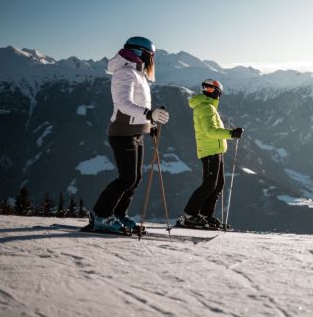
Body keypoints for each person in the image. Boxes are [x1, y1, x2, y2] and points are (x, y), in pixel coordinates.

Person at [91, 36, 170, 233]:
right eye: (151, 56)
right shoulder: (125, 74)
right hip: (122, 132)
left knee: (135, 178)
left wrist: (148, 124)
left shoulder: (138, 74)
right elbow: (124, 104)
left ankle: (118, 213)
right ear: (141, 53)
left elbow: (140, 105)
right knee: (126, 178)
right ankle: (100, 215)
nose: (152, 61)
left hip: (136, 131)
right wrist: (149, 115)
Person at [178, 79, 243, 229]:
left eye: (209, 89)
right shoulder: (206, 108)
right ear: (218, 94)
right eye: (205, 89)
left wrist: (230, 134)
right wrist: (231, 133)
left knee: (218, 184)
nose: (207, 91)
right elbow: (210, 131)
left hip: (215, 150)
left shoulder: (207, 107)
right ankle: (189, 214)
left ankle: (205, 215)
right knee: (209, 185)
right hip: (210, 151)